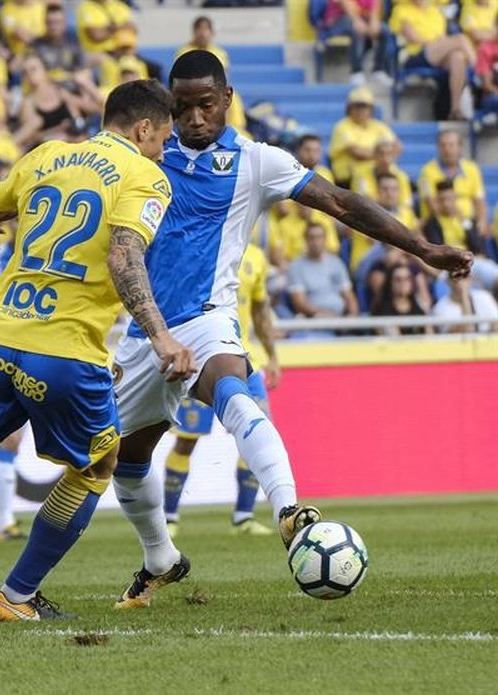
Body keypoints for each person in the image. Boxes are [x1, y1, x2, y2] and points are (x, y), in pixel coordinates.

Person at [107, 50, 472, 611]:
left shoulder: (257, 162)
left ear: (227, 99)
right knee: (124, 464)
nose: (196, 119)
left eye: (206, 105)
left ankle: (289, 511)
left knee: (232, 383)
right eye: (183, 109)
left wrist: (422, 248)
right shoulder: (144, 158)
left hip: (207, 318)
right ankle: (160, 558)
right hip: (140, 333)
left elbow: (342, 204)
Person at [0, 79, 186, 620]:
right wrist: (161, 335)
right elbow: (124, 256)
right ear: (142, 129)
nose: (163, 150)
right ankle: (16, 596)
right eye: (162, 138)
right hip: (63, 347)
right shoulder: (145, 176)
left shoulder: (46, 156)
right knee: (97, 465)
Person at [161, 243, 280, 539]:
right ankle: (169, 517)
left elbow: (260, 309)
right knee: (186, 442)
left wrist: (272, 354)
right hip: (201, 360)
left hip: (245, 360)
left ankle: (244, 517)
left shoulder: (256, 257)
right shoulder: (201, 247)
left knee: (257, 433)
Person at [389, 0, 477, 119]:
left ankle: (455, 109)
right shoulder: (401, 9)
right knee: (460, 39)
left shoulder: (435, 11)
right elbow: (413, 38)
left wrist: (441, 44)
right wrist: (437, 43)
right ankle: (478, 73)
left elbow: (443, 36)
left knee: (458, 57)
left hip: (435, 52)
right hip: (414, 54)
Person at [418, 130, 486, 234]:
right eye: (443, 145)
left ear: (460, 147)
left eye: (451, 145)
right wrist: (459, 216)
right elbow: (432, 204)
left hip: (467, 224)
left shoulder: (472, 169)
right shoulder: (426, 171)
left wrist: (482, 222)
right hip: (438, 225)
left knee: (479, 242)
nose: (447, 149)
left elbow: (479, 200)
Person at [287, 223, 359, 320]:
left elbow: (348, 295)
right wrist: (327, 315)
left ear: (325, 239)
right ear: (305, 240)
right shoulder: (296, 266)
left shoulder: (336, 263)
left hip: (341, 320)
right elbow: (299, 303)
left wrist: (353, 315)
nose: (316, 242)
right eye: (312, 238)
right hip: (314, 320)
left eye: (319, 237)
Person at [329, 86, 395, 187]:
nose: (360, 110)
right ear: (349, 108)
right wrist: (383, 155)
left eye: (364, 106)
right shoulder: (342, 126)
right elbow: (357, 152)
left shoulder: (378, 125)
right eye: (356, 106)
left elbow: (396, 146)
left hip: (378, 174)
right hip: (348, 181)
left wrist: (382, 156)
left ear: (371, 109)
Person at [316, 1, 391, 86]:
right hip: (338, 19)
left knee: (384, 31)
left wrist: (374, 20)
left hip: (363, 19)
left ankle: (378, 71)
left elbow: (373, 5)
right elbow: (345, 3)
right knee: (356, 29)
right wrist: (357, 20)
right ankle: (356, 72)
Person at [371, 263, 433, 336]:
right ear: (390, 282)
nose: (403, 283)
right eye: (398, 279)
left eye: (407, 279)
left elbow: (430, 335)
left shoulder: (419, 305)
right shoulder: (380, 309)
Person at [432, 273, 498, 333]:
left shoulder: (484, 296)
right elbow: (465, 331)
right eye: (457, 276)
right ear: (448, 281)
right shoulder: (440, 308)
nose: (462, 281)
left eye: (466, 275)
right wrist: (464, 296)